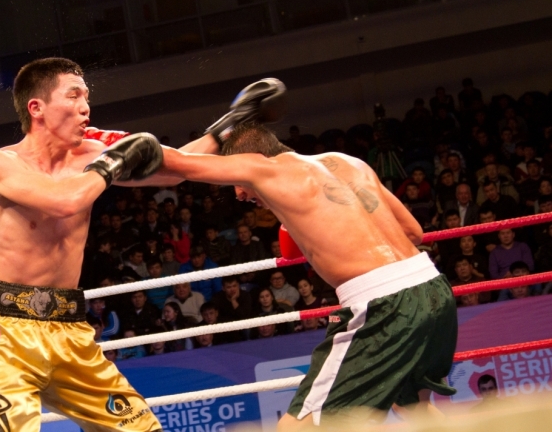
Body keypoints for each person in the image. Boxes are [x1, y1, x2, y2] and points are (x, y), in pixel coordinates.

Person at [0, 58, 281, 430]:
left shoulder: (94, 148)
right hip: (5, 331)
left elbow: (177, 167)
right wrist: (112, 162)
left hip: (69, 329)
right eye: (73, 96)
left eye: (86, 96)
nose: (85, 107)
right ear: (37, 108)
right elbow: (63, 200)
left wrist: (231, 122)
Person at [160, 122, 457, 427]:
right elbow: (413, 232)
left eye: (246, 194)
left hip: (382, 304)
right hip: (432, 287)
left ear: (254, 159)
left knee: (295, 426)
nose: (244, 196)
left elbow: (176, 164)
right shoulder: (348, 162)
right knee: (413, 408)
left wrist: (110, 152)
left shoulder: (264, 169)